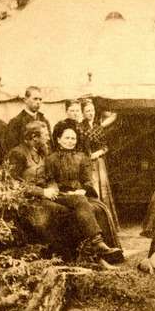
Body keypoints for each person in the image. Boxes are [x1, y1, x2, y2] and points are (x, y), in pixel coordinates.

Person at [44, 121, 123, 264]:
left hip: (79, 194)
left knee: (99, 208)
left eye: (73, 138)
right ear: (58, 139)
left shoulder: (82, 157)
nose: (70, 141)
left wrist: (83, 190)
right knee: (80, 201)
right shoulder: (51, 159)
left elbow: (87, 180)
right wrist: (58, 190)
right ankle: (97, 242)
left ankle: (100, 252)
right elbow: (49, 180)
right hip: (60, 195)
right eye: (67, 138)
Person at [78, 98, 119, 228]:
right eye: (88, 111)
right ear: (83, 113)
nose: (91, 113)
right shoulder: (79, 127)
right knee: (91, 188)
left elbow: (106, 147)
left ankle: (106, 223)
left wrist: (99, 153)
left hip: (99, 162)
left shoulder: (98, 127)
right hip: (85, 162)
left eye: (92, 110)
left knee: (103, 190)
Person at [6, 86, 52, 151]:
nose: (38, 102)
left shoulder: (44, 120)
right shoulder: (16, 122)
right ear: (26, 100)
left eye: (40, 99)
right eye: (35, 99)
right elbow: (12, 148)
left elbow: (50, 144)